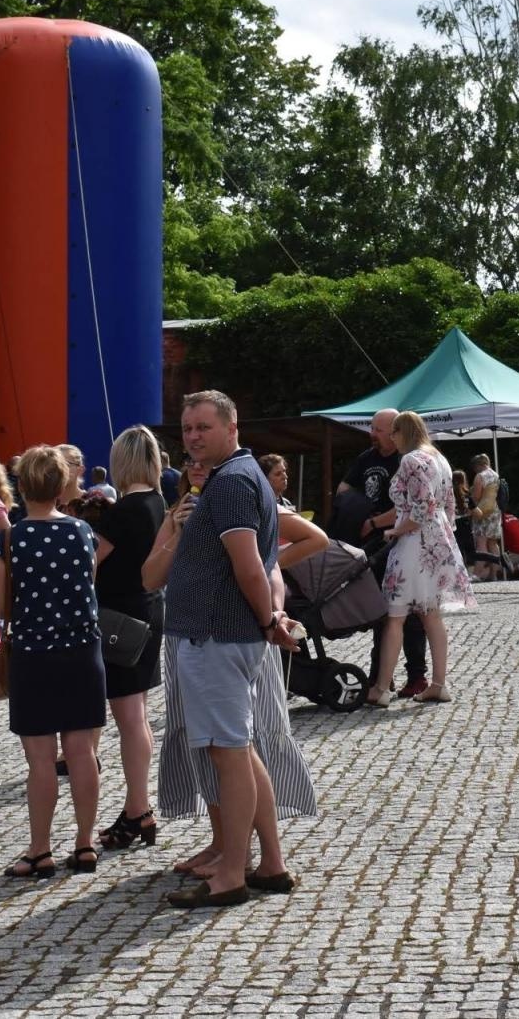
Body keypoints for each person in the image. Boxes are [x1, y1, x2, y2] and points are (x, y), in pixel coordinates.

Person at [144, 389, 301, 909]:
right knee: (241, 750)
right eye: (187, 428)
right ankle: (271, 864)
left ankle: (232, 873)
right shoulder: (233, 476)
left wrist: (269, 619)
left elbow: (250, 565)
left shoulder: (232, 480)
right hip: (224, 635)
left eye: (203, 427)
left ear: (231, 428)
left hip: (216, 635)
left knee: (229, 755)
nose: (192, 437)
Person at [147, 507, 323, 886]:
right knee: (212, 745)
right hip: (194, 634)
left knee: (240, 745)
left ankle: (245, 855)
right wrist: (177, 530)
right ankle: (227, 845)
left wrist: (269, 608)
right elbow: (150, 576)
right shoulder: (186, 511)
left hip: (236, 634)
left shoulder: (242, 496)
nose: (199, 476)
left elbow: (302, 547)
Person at [0, 445, 107, 878]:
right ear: (62, 487)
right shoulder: (83, 533)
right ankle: (85, 843)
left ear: (21, 487)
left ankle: (40, 850)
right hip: (81, 652)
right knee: (82, 753)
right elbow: (89, 586)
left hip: (33, 655)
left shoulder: (11, 539)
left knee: (40, 760)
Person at [365, 411, 477, 707]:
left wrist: (395, 530)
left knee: (395, 617)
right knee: (431, 615)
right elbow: (448, 507)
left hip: (413, 545)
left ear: (403, 432)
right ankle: (438, 684)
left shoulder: (411, 460)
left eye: (394, 433)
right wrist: (441, 537)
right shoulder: (440, 459)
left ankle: (381, 689)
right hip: (439, 542)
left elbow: (421, 508)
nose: (392, 438)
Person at [91, 425, 168, 852]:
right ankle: (137, 805)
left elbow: (90, 564)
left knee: (130, 719)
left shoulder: (122, 512)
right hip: (149, 610)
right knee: (137, 715)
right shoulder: (159, 503)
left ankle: (138, 808)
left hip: (120, 619)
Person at [340, 408, 430, 700]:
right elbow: (344, 488)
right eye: (372, 429)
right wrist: (356, 509)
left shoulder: (406, 461)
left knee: (408, 612)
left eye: (378, 430)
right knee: (382, 611)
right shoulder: (367, 458)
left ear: (395, 432)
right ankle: (382, 675)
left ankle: (416, 676)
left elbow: (409, 508)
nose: (373, 434)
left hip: (399, 542)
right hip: (372, 546)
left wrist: (374, 522)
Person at [468, 453, 503, 582]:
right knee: (493, 543)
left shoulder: (480, 476)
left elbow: (476, 496)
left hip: (482, 512)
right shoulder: (496, 475)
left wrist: (471, 491)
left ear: (479, 465)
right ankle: (493, 575)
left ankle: (476, 574)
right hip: (495, 511)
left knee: (481, 543)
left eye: (475, 467)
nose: (475, 470)